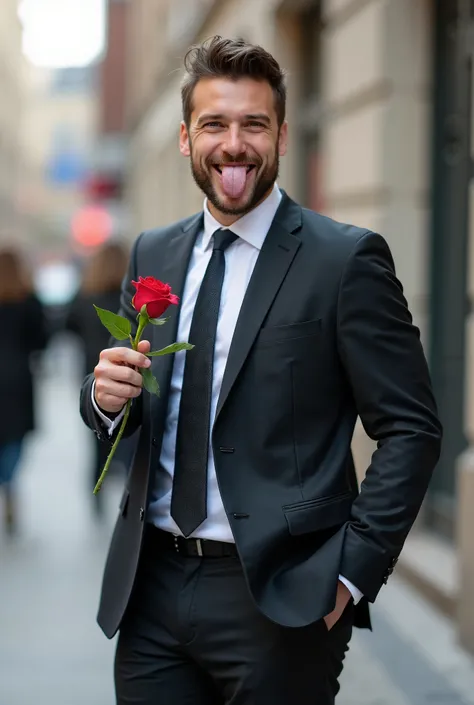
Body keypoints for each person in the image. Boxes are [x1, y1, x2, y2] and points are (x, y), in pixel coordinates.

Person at [80, 36, 442, 705]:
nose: (235, 144)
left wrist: (350, 574)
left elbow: (412, 427)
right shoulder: (153, 252)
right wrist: (104, 400)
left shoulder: (345, 260)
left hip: (280, 596)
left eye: (253, 124)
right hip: (150, 587)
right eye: (215, 124)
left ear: (279, 134)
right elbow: (131, 411)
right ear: (188, 139)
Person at [66, 241, 130, 516]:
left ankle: (96, 493)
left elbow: (68, 325)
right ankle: (128, 491)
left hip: (92, 374)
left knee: (97, 439)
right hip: (127, 373)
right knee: (128, 437)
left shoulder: (85, 294)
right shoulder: (129, 297)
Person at [0, 247, 48, 535]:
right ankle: (9, 485)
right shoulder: (29, 300)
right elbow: (42, 340)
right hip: (18, 379)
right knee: (15, 440)